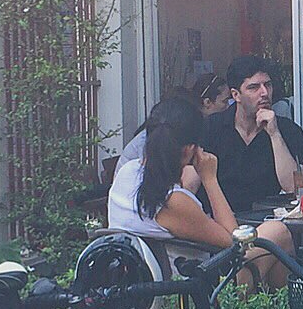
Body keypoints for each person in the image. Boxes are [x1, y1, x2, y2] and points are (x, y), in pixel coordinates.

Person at [115, 92, 293, 287]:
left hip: (143, 287)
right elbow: (234, 242)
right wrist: (209, 178)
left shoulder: (127, 173)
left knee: (270, 239)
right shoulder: (172, 201)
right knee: (278, 231)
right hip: (194, 291)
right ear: (190, 149)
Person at [202, 55, 303, 209]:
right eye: (254, 87)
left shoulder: (289, 131)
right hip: (220, 220)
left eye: (268, 85)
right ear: (236, 95)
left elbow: (292, 187)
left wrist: (274, 134)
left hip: (269, 221)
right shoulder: (211, 128)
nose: (264, 92)